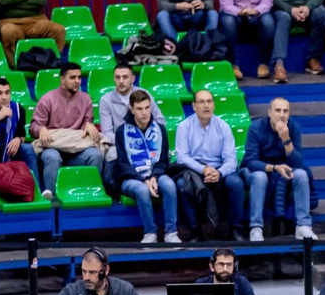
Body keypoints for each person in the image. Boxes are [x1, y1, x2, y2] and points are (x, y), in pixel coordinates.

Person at [110, 89, 179, 245]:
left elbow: (163, 160)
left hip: (156, 174)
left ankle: (171, 232)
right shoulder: (122, 132)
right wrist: (143, 180)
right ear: (132, 109)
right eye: (140, 109)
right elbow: (122, 164)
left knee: (169, 185)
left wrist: (154, 177)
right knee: (142, 190)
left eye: (147, 107)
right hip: (131, 178)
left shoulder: (160, 129)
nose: (144, 112)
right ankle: (150, 233)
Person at [176, 90, 247, 240]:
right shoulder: (184, 127)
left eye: (209, 101)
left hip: (219, 169)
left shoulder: (224, 127)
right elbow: (182, 157)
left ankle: (235, 228)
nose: (206, 105)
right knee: (182, 184)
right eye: (201, 102)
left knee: (236, 182)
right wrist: (203, 169)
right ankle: (194, 229)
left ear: (214, 105)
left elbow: (231, 160)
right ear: (194, 106)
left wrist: (219, 173)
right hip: (194, 170)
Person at [31, 62, 105, 202]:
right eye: (72, 78)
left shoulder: (86, 99)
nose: (77, 81)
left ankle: (89, 194)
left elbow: (86, 125)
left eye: (79, 77)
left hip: (77, 148)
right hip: (54, 146)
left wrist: (88, 125)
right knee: (52, 157)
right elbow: (33, 128)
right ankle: (52, 199)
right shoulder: (48, 99)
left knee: (95, 155)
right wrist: (42, 129)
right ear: (62, 79)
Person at [244, 96, 315, 240]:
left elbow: (298, 163)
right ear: (269, 112)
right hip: (258, 168)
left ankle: (303, 226)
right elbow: (251, 162)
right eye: (277, 110)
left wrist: (286, 138)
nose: (281, 114)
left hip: (284, 168)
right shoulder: (256, 128)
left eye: (285, 111)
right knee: (260, 177)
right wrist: (275, 168)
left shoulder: (294, 128)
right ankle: (256, 228)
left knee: (301, 174)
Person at [98, 62, 166, 162]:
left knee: (164, 154)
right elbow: (107, 132)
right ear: (114, 79)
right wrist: (128, 141)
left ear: (133, 79)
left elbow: (160, 120)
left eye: (125, 77)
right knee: (113, 155)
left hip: (147, 141)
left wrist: (148, 139)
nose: (121, 81)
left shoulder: (145, 94)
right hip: (120, 144)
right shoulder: (105, 100)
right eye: (117, 77)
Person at [45, 247, 147, 295]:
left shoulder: (124, 290)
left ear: (105, 271)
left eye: (92, 272)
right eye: (84, 271)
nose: (86, 277)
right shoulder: (71, 291)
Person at [194, 247, 258, 295]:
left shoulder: (241, 282)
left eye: (229, 264)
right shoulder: (201, 284)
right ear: (212, 267)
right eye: (221, 264)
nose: (225, 269)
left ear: (234, 267)